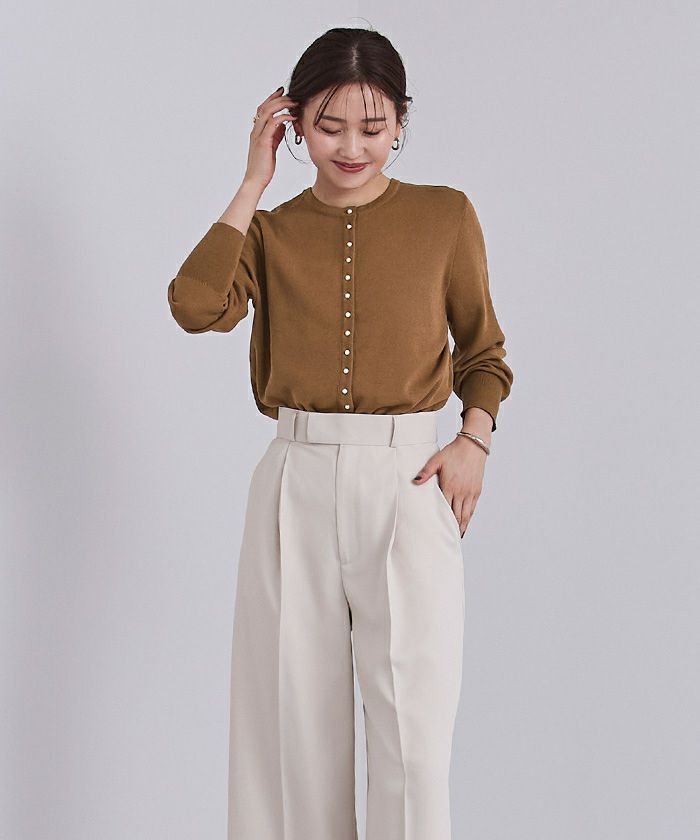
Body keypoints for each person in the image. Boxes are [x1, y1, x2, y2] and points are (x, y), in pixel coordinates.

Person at [167, 26, 513, 840]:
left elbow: (484, 351)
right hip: (296, 478)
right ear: (293, 124)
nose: (352, 147)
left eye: (373, 126)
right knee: (297, 732)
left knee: (413, 740)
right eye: (328, 126)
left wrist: (474, 441)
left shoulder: (444, 216)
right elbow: (195, 306)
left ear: (400, 123)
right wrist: (252, 181)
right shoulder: (271, 231)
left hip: (408, 481)